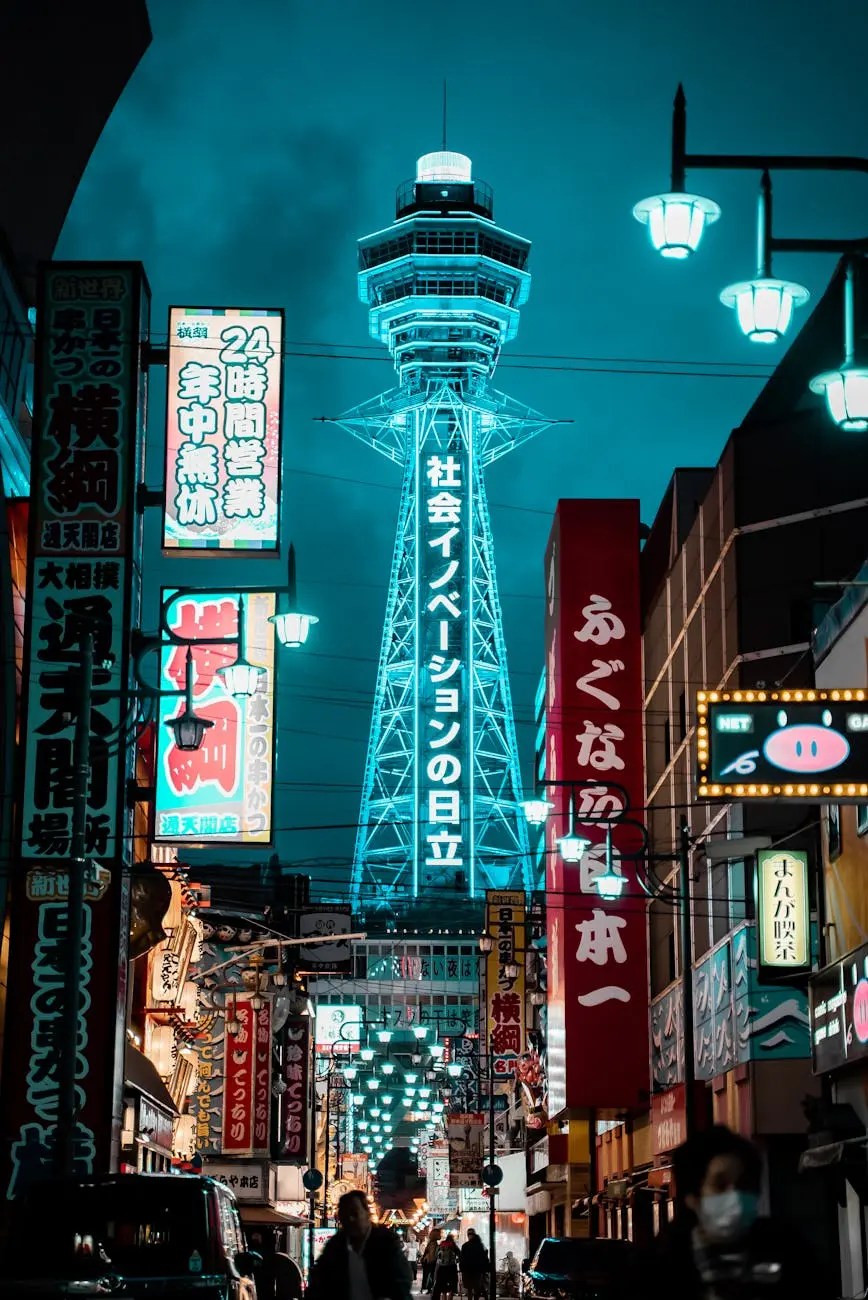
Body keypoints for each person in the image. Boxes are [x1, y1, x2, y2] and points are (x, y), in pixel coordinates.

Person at [651, 1124, 825, 1299]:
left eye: (744, 1184)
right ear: (692, 1196)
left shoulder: (792, 1255)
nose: (735, 1197)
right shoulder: (658, 1267)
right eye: (720, 1185)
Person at [307, 1190, 412, 1300]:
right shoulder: (335, 1246)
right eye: (344, 1215)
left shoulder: (386, 1242)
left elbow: (401, 1281)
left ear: (367, 1213)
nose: (350, 1219)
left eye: (355, 1213)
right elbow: (319, 1282)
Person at [459, 1229, 489, 1300]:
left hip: (467, 1270)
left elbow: (462, 1258)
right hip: (477, 1270)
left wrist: (461, 1268)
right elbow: (484, 1257)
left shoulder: (465, 1246)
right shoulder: (480, 1245)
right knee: (477, 1288)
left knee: (470, 1288)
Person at [431, 1234, 460, 1300]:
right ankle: (450, 1298)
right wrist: (456, 1261)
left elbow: (436, 1255)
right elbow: (460, 1254)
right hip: (451, 1267)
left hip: (442, 1268)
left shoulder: (441, 1244)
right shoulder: (453, 1245)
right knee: (453, 1284)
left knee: (443, 1286)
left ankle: (444, 1298)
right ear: (452, 1238)